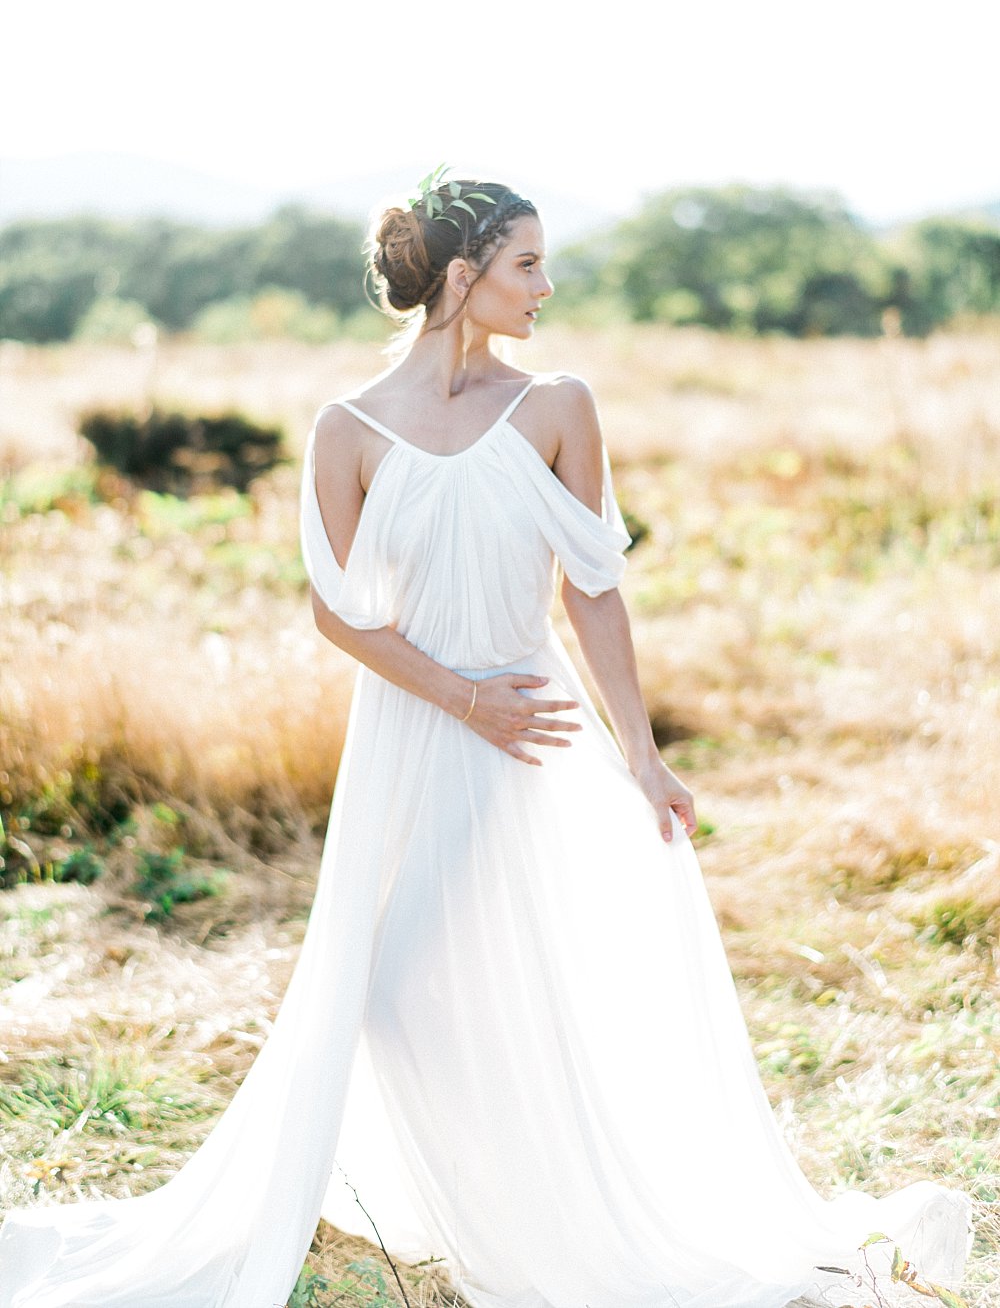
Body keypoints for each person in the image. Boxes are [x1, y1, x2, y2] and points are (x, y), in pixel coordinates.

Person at [0, 175, 971, 1308]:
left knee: (522, 977)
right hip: (420, 732)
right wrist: (465, 701)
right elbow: (335, 612)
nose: (546, 287)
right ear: (460, 277)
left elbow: (593, 589)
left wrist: (642, 752)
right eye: (525, 265)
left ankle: (553, 1226)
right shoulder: (346, 429)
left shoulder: (559, 405)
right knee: (399, 988)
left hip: (538, 733)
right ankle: (475, 1214)